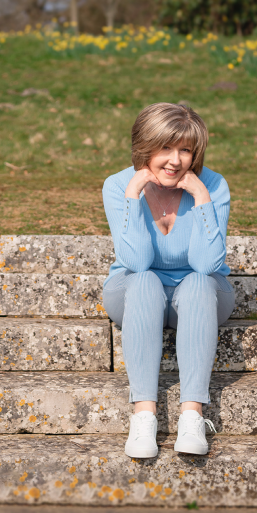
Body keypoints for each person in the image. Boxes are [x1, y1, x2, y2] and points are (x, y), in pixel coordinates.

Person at [102, 102, 235, 458]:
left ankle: (192, 416)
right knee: (144, 279)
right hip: (132, 291)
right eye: (165, 148)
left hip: (203, 294)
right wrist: (133, 196)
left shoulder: (213, 184)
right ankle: (143, 418)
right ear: (144, 146)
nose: (175, 160)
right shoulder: (118, 185)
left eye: (185, 150)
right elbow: (137, 260)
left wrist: (202, 198)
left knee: (197, 282)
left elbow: (207, 264)